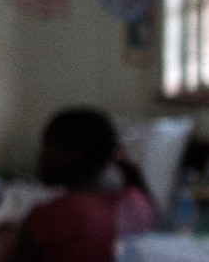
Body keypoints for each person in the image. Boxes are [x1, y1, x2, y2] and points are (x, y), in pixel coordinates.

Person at [15, 108, 155, 262]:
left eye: (47, 148)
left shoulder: (51, 218)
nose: (40, 158)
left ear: (75, 154)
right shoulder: (138, 201)